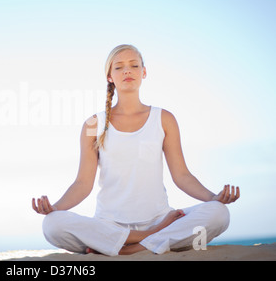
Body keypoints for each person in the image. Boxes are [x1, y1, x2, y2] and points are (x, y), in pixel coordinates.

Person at [31, 44, 240, 255]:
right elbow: (82, 183)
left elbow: (182, 175)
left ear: (144, 72)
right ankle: (149, 240)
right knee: (52, 224)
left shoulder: (164, 119)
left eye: (134, 65)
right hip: (109, 225)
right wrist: (55, 208)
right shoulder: (93, 124)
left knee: (219, 213)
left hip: (159, 219)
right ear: (109, 76)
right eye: (119, 67)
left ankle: (127, 248)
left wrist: (213, 198)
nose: (127, 71)